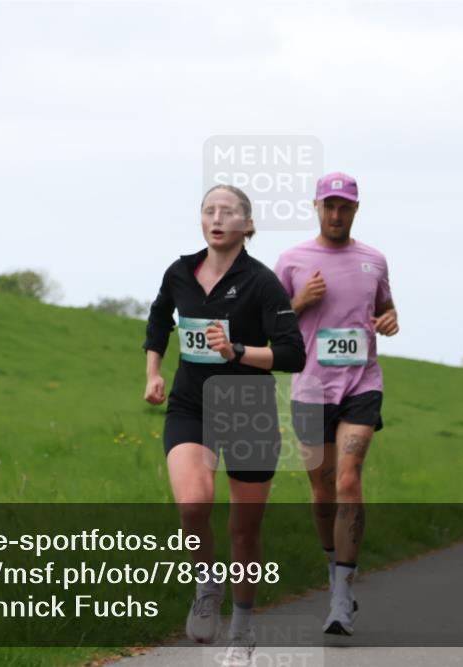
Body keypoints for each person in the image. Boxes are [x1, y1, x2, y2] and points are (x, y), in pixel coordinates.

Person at [143, 184, 306, 665]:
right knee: (193, 503)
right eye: (209, 210)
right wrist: (153, 373)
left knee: (244, 530)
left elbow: (293, 354)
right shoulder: (179, 272)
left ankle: (241, 627)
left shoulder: (262, 283)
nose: (217, 218)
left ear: (247, 226)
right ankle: (206, 583)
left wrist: (237, 352)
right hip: (191, 404)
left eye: (229, 211)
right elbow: (158, 319)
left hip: (248, 409)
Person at [274, 172, 398, 636]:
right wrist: (300, 300)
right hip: (310, 387)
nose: (336, 214)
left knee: (348, 478)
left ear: (356, 210)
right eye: (329, 205)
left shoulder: (374, 260)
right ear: (316, 207)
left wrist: (389, 320)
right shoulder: (292, 260)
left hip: (362, 384)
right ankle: (335, 569)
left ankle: (342, 596)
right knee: (322, 489)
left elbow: (386, 307)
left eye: (344, 206)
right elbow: (270, 323)